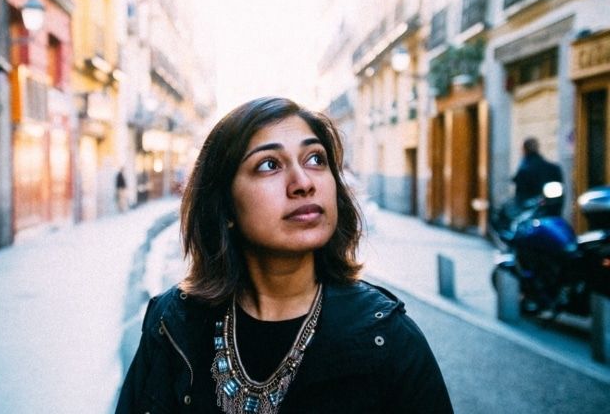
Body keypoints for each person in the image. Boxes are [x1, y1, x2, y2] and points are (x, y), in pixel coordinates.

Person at [116, 97, 453, 413]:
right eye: (269, 165)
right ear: (225, 205)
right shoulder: (172, 325)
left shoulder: (389, 340)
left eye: (316, 159)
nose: (303, 182)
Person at [513, 137, 563, 204]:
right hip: (548, 204)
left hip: (533, 204)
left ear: (524, 150)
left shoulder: (524, 169)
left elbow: (520, 195)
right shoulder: (552, 168)